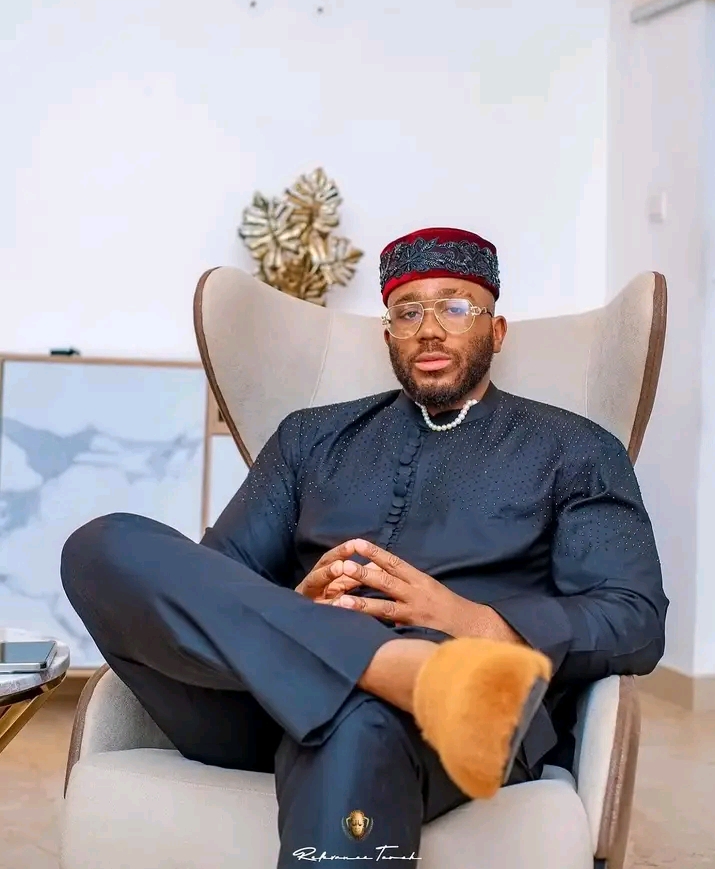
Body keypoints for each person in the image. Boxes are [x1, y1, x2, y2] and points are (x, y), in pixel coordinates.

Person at [61, 226, 668, 868]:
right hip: (261, 699)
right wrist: (296, 605)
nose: (429, 329)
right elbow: (213, 581)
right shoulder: (309, 438)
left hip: (456, 718)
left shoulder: (575, 449)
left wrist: (468, 621)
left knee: (358, 721)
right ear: (388, 336)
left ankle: (408, 679)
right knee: (102, 544)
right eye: (408, 312)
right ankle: (394, 670)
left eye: (455, 306)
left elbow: (634, 618)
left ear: (496, 331)